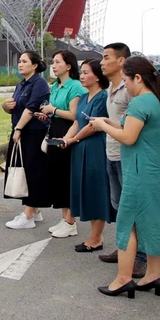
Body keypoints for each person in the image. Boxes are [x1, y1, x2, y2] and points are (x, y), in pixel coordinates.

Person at [90, 56, 160, 298]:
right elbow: (132, 129)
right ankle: (152, 276)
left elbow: (129, 138)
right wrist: (109, 121)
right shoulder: (157, 100)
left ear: (138, 78)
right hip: (159, 174)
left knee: (128, 225)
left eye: (126, 79)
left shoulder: (139, 103)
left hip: (141, 175)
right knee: (154, 223)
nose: (124, 85)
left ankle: (123, 278)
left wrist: (103, 126)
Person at [98, 42, 147, 279]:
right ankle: (125, 249)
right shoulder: (111, 87)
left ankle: (140, 257)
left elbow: (132, 127)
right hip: (112, 153)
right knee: (119, 206)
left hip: (127, 156)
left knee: (134, 208)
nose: (102, 61)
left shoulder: (131, 90)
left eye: (106, 57)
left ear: (121, 61)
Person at [57, 60, 111, 252]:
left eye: (86, 72)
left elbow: (92, 126)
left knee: (96, 191)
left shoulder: (103, 97)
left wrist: (73, 140)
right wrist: (65, 138)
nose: (82, 76)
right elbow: (77, 122)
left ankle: (96, 238)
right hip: (81, 148)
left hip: (95, 148)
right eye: (81, 72)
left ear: (97, 76)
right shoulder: (83, 97)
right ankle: (95, 236)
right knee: (86, 189)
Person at [39, 50, 86, 238]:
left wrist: (54, 109)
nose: (54, 65)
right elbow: (54, 110)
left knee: (66, 177)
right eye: (53, 61)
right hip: (55, 128)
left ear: (68, 66)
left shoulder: (75, 86)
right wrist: (48, 112)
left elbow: (75, 115)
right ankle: (64, 217)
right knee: (56, 176)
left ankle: (70, 221)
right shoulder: (56, 86)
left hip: (67, 131)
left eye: (58, 62)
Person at [3, 51, 50, 229]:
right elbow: (15, 107)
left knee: (32, 172)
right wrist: (5, 107)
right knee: (24, 170)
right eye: (19, 61)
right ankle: (34, 210)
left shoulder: (39, 84)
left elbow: (30, 109)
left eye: (24, 61)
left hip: (32, 133)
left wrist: (19, 128)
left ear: (35, 65)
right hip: (21, 132)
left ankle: (28, 215)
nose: (20, 64)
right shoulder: (21, 84)